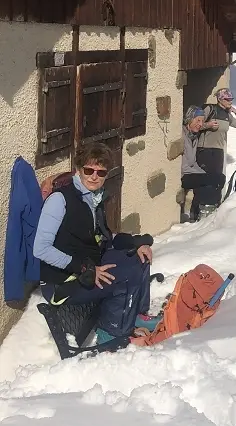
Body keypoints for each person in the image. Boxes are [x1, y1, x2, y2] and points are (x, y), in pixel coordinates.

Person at [33, 144, 154, 342]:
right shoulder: (60, 200)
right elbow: (41, 249)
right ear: (79, 170)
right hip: (63, 282)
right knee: (124, 276)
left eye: (101, 172)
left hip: (89, 264)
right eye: (89, 170)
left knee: (139, 258)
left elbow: (103, 236)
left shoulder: (94, 198)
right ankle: (111, 332)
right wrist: (85, 268)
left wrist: (135, 243)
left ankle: (137, 316)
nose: (94, 176)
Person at [195, 87, 236, 198]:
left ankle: (213, 203)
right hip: (205, 149)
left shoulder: (227, 115)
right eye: (227, 99)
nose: (230, 101)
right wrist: (207, 125)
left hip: (218, 150)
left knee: (217, 179)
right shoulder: (210, 109)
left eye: (231, 99)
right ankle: (198, 208)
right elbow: (195, 126)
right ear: (220, 99)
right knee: (205, 179)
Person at [179, 106, 225, 221]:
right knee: (212, 180)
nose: (200, 124)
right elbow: (185, 165)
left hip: (191, 172)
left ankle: (206, 211)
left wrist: (203, 174)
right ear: (189, 119)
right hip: (184, 175)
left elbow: (193, 162)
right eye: (197, 120)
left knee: (218, 178)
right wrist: (204, 176)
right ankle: (204, 215)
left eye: (202, 121)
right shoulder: (182, 135)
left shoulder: (193, 136)